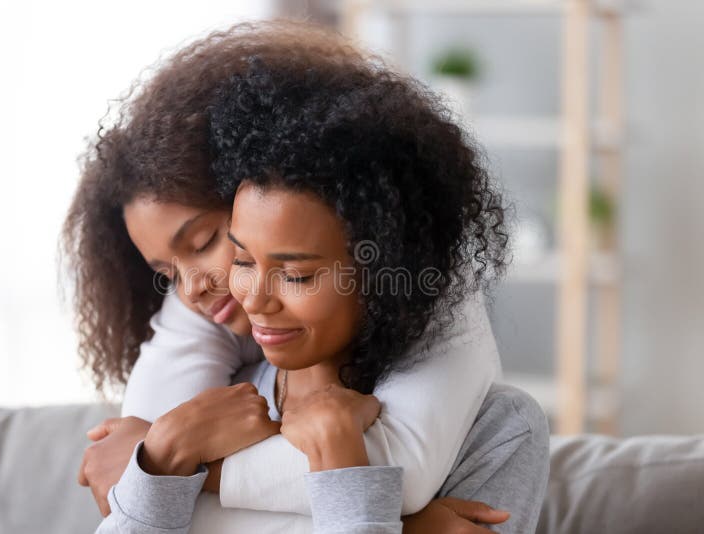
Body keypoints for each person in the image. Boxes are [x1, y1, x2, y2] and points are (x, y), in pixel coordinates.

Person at [65, 21, 547, 533]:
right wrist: (163, 452)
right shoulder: (219, 402)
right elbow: (133, 472)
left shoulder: (498, 427)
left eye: (207, 242)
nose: (193, 289)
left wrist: (182, 464)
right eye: (245, 259)